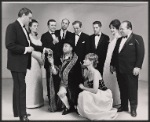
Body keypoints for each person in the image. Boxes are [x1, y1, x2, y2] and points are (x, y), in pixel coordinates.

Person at [5, 7, 50, 121]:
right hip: (16, 64)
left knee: (18, 88)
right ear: (23, 15)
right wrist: (25, 49)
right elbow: (9, 45)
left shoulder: (23, 28)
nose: (30, 20)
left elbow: (31, 46)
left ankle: (17, 112)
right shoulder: (12, 26)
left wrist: (43, 49)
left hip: (20, 63)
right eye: (29, 18)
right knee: (21, 88)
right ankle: (23, 115)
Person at [110, 20, 145, 117]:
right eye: (120, 29)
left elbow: (141, 54)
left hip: (131, 70)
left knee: (132, 89)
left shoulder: (137, 38)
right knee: (122, 88)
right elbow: (115, 54)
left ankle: (133, 109)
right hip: (119, 69)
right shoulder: (119, 40)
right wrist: (112, 65)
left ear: (129, 28)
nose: (120, 30)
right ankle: (124, 106)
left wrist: (137, 66)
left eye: (122, 29)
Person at [77, 53, 118, 120]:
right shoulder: (88, 72)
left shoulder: (95, 72)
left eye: (86, 59)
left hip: (102, 93)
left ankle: (93, 112)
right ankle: (88, 112)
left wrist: (83, 88)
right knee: (82, 94)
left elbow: (95, 90)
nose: (84, 60)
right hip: (96, 92)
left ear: (91, 61)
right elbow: (88, 85)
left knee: (84, 93)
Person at [48, 39, 83, 115]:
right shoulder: (59, 58)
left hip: (73, 83)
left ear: (71, 48)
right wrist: (52, 64)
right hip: (63, 82)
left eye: (66, 46)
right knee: (61, 93)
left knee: (75, 95)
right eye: (63, 46)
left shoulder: (76, 59)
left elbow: (79, 74)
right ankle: (68, 107)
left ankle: (75, 106)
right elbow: (55, 73)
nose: (64, 47)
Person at [41, 19, 61, 112]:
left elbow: (61, 48)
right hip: (49, 63)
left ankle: (58, 101)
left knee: (57, 82)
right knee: (50, 82)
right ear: (48, 26)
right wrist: (53, 42)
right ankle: (51, 102)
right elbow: (45, 48)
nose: (53, 27)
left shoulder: (58, 34)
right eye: (52, 25)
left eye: (55, 25)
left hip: (58, 63)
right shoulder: (44, 36)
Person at [25, 19, 44, 108]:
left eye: (37, 26)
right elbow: (29, 50)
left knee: (37, 80)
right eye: (34, 26)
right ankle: (30, 103)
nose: (36, 28)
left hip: (39, 63)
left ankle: (38, 101)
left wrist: (42, 59)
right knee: (31, 81)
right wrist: (38, 58)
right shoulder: (28, 37)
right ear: (30, 27)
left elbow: (40, 48)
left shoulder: (37, 37)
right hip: (32, 61)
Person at [103, 19, 121, 106]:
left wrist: (113, 64)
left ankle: (116, 101)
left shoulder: (118, 39)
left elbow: (117, 54)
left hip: (112, 63)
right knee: (108, 81)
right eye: (111, 28)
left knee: (114, 82)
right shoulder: (113, 38)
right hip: (107, 61)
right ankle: (110, 100)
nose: (112, 30)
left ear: (118, 28)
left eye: (113, 28)